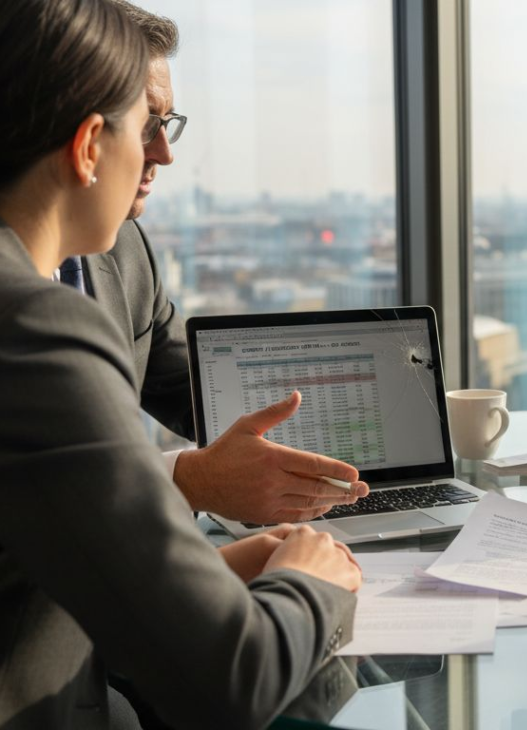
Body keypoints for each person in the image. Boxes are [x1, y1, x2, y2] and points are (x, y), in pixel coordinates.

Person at [0, 1, 361, 727]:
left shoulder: (110, 261)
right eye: (147, 127)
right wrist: (311, 582)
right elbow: (233, 683)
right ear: (89, 145)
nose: (161, 155)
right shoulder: (31, 324)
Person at [70, 0, 368, 526]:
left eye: (168, 124)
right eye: (146, 126)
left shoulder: (126, 246)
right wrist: (191, 479)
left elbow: (197, 390)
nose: (165, 153)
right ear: (86, 134)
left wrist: (354, 422)